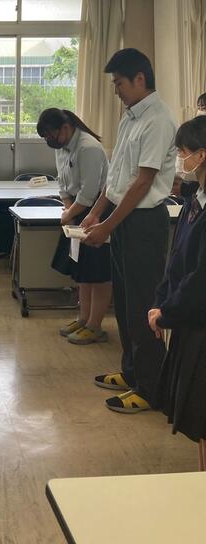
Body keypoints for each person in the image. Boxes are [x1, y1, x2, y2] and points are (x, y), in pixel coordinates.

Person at [81, 48, 176, 413]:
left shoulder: (159, 119)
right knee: (123, 301)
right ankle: (132, 371)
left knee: (142, 303)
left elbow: (143, 182)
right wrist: (96, 213)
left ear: (140, 79)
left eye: (119, 83)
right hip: (122, 219)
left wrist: (107, 224)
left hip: (144, 221)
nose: (116, 90)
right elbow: (117, 175)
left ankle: (151, 388)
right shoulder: (130, 118)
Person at [149, 117, 206, 464]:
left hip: (200, 323)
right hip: (190, 321)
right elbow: (177, 262)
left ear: (201, 154)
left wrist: (168, 312)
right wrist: (162, 303)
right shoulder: (194, 201)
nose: (180, 160)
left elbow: (200, 278)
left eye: (183, 152)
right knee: (199, 423)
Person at [37, 108, 111, 344]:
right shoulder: (62, 147)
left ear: (66, 128)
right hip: (78, 211)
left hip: (98, 211)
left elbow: (89, 193)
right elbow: (62, 184)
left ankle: (95, 326)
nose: (49, 141)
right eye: (45, 137)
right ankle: (83, 318)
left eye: (51, 135)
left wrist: (69, 214)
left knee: (99, 273)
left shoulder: (88, 148)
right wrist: (68, 211)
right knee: (82, 270)